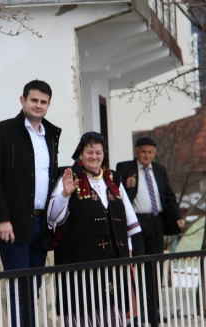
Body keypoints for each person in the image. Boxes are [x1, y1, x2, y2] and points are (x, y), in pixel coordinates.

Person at [0, 80, 61, 327]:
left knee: (33, 287)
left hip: (42, 223)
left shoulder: (50, 135)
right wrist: (2, 218)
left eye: (43, 102)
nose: (38, 105)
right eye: (34, 100)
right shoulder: (3, 131)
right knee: (18, 287)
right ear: (23, 101)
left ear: (48, 105)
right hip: (13, 224)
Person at [48, 132, 141, 326]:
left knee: (112, 312)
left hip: (113, 260)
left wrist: (129, 248)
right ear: (80, 153)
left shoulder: (114, 178)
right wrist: (65, 194)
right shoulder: (68, 176)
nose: (94, 156)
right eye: (89, 152)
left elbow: (128, 219)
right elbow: (53, 218)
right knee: (83, 312)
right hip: (79, 262)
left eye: (98, 152)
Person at [116, 137, 184, 323]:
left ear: (154, 154)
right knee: (137, 266)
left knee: (155, 267)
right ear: (136, 152)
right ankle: (136, 311)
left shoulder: (160, 170)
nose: (146, 155)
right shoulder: (124, 168)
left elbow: (168, 194)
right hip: (135, 223)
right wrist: (127, 185)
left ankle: (153, 310)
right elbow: (118, 196)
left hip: (156, 222)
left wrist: (177, 215)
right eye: (143, 151)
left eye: (150, 152)